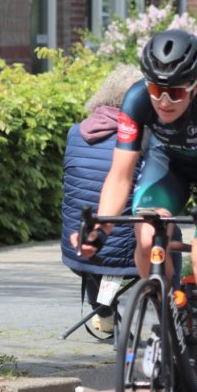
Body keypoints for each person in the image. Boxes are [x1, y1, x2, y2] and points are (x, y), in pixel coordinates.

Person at [75, 29, 197, 392]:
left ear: (194, 86)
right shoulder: (137, 100)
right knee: (145, 234)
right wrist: (99, 230)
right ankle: (162, 323)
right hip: (168, 164)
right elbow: (120, 177)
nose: (164, 100)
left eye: (175, 92)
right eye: (157, 88)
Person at [61, 64, 141, 335]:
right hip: (123, 253)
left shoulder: (75, 132)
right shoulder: (140, 136)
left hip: (77, 247)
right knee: (166, 231)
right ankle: (172, 316)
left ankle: (105, 312)